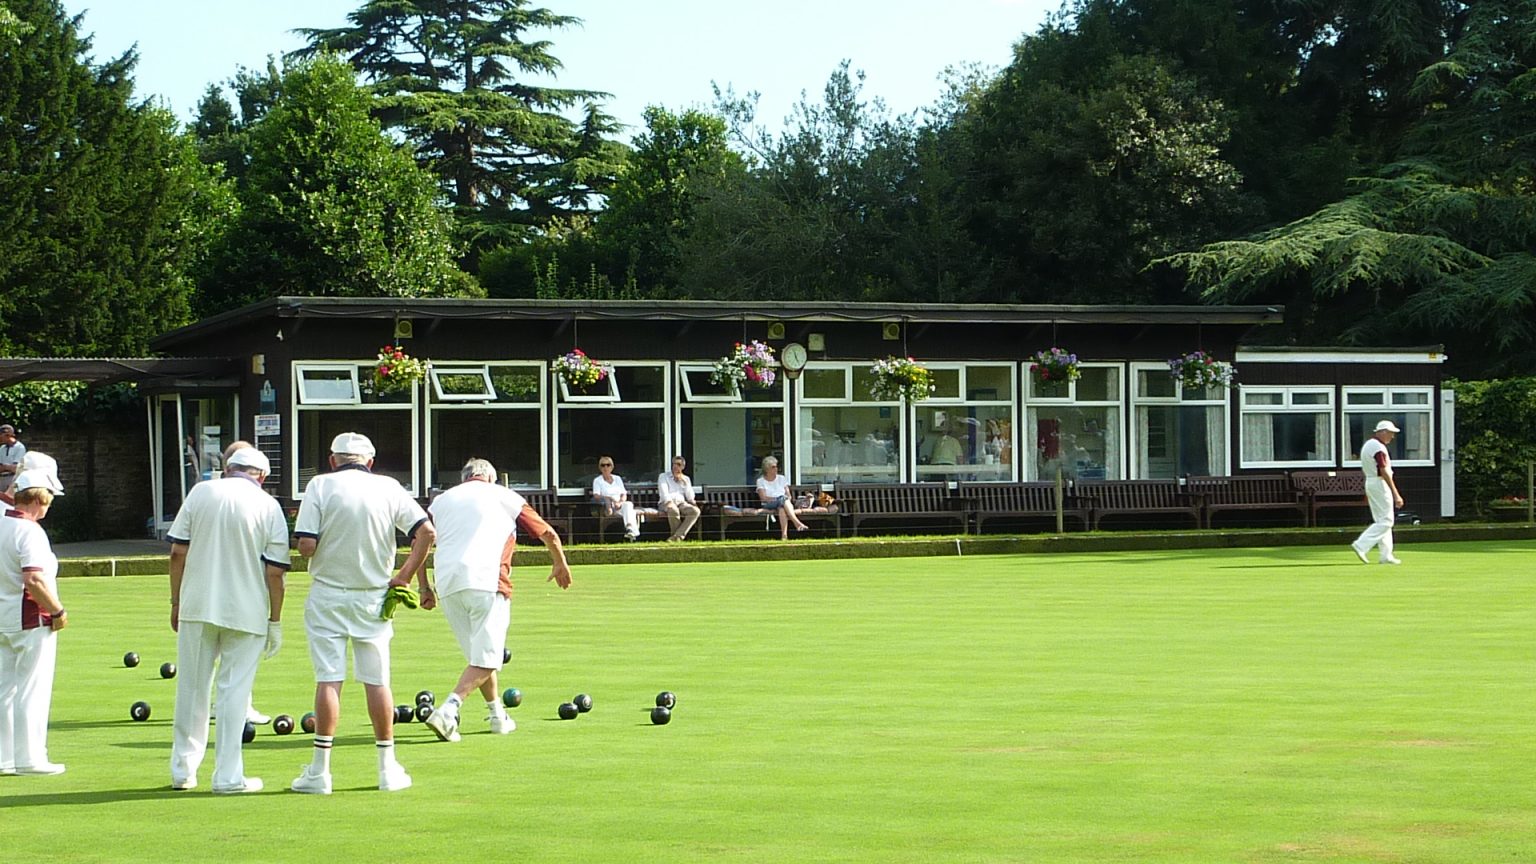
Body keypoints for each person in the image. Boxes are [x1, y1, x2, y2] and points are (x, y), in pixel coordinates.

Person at [290, 432, 435, 795]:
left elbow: (306, 545)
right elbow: (426, 532)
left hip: (328, 595)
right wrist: (403, 576)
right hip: (374, 596)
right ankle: (387, 768)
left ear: (332, 459)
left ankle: (320, 772)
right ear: (369, 461)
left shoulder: (319, 486)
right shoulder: (389, 487)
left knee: (329, 678)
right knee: (377, 679)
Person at [419, 458, 572, 743]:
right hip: (488, 580)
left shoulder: (440, 501)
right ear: (490, 477)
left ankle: (497, 715)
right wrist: (560, 563)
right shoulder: (505, 495)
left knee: (478, 656)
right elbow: (547, 532)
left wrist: (424, 586)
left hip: (448, 583)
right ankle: (449, 710)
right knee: (488, 657)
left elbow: (421, 541)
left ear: (465, 478)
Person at [166, 447, 288, 793]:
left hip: (197, 605)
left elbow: (177, 552)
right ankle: (228, 776)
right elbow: (276, 572)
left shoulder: (201, 491)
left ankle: (182, 770)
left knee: (191, 687)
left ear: (228, 468)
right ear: (261, 477)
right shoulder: (268, 505)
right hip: (247, 611)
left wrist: (176, 601)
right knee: (234, 692)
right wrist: (275, 620)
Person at [0, 466, 68, 776]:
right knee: (32, 689)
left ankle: (5, 758)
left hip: (4, 618)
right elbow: (34, 579)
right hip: (31, 619)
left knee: (6, 689)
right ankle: (30, 758)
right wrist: (57, 611)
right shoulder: (29, 532)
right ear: (39, 499)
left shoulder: (1, 524)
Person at [1351, 420, 1405, 565]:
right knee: (1387, 520)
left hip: (1371, 481)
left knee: (1382, 519)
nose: (1392, 437)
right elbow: (1384, 471)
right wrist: (1396, 494)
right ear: (1383, 432)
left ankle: (1386, 555)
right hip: (1379, 483)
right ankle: (1362, 544)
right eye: (1391, 433)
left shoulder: (1369, 444)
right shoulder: (1378, 447)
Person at [756, 456, 808, 540]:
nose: (776, 468)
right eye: (773, 467)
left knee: (782, 508)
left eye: (776, 466)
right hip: (769, 503)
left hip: (783, 502)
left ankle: (784, 535)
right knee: (782, 500)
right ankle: (797, 523)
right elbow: (763, 498)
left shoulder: (782, 479)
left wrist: (782, 499)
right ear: (767, 468)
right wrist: (777, 499)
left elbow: (789, 495)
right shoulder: (760, 481)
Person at [591, 456, 640, 541]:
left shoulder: (617, 478)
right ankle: (633, 533)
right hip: (608, 507)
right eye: (603, 465)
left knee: (628, 504)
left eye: (608, 465)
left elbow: (623, 493)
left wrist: (620, 502)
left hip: (619, 506)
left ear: (612, 467)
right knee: (631, 512)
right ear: (600, 468)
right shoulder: (597, 480)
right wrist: (610, 499)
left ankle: (630, 529)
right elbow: (596, 495)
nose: (605, 467)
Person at [657, 456, 701, 542]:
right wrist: (669, 502)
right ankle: (677, 538)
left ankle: (676, 537)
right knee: (673, 510)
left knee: (695, 511)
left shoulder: (686, 479)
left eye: (678, 464)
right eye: (674, 464)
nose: (675, 466)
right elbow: (663, 492)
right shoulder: (663, 476)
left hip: (681, 503)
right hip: (666, 502)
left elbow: (690, 497)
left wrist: (685, 483)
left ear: (683, 467)